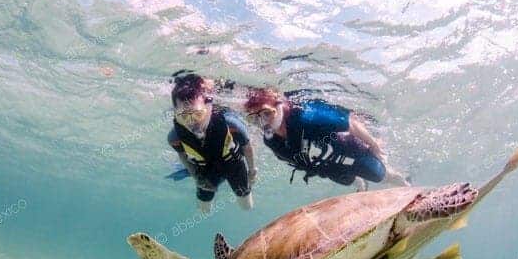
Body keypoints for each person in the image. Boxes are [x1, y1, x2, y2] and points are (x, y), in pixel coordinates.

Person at [243, 88, 409, 191]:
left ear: (278, 107)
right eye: (255, 118)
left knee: (380, 175)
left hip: (349, 150)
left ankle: (406, 185)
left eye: (266, 113)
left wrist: (374, 145)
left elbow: (350, 122)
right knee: (348, 180)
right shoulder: (271, 140)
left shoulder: (306, 116)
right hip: (326, 166)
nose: (263, 122)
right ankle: (359, 184)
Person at [167, 74, 257, 213]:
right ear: (176, 114)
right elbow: (183, 156)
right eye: (184, 116)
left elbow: (247, 146)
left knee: (246, 206)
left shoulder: (231, 124)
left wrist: (252, 171)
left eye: (197, 114)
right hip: (205, 170)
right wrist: (196, 177)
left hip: (233, 165)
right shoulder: (175, 136)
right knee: (204, 210)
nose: (192, 122)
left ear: (208, 105)